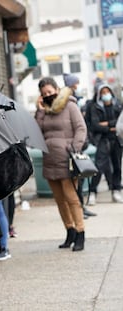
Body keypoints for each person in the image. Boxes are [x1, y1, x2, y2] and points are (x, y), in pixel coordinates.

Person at [35, 77, 87, 251]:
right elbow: (37, 132)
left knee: (72, 198)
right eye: (44, 94)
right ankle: (69, 230)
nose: (48, 95)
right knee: (59, 200)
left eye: (50, 92)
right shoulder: (45, 111)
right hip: (49, 160)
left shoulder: (70, 105)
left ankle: (80, 232)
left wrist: (73, 148)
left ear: (57, 89)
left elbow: (81, 128)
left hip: (67, 160)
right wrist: (40, 111)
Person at [63, 73, 97, 218]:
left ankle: (81, 207)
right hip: (71, 151)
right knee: (74, 183)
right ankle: (78, 210)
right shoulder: (68, 103)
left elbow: (81, 127)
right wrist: (75, 147)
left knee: (80, 180)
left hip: (78, 148)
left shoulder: (76, 102)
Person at [86, 83, 123, 205]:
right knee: (99, 166)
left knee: (117, 166)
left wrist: (106, 124)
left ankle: (116, 190)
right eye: (103, 92)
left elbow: (120, 123)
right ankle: (93, 192)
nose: (106, 95)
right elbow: (95, 125)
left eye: (107, 92)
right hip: (102, 139)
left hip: (117, 139)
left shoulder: (118, 105)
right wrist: (111, 127)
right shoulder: (95, 107)